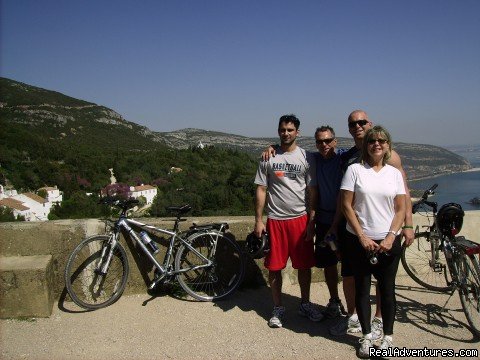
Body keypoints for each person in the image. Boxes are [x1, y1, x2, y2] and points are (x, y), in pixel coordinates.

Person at [340, 125, 406, 356]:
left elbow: (400, 209)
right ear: (366, 145)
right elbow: (346, 205)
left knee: (387, 290)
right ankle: (366, 337)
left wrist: (390, 237)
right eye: (372, 141)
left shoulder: (394, 174)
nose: (377, 144)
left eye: (382, 140)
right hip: (359, 240)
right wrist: (361, 236)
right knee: (362, 288)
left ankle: (387, 337)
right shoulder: (355, 170)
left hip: (388, 242)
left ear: (388, 145)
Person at [254, 114, 322, 328]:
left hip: (299, 219)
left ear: (297, 132)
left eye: (290, 130)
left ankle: (304, 303)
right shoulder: (268, 157)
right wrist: (258, 220)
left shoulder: (307, 157)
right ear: (278, 131)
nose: (286, 133)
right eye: (283, 130)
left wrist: (311, 219)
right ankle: (278, 308)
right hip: (275, 219)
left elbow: (312, 191)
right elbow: (261, 189)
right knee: (274, 267)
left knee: (304, 266)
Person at [311, 126, 346, 319]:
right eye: (319, 141)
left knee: (349, 264)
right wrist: (272, 146)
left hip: (344, 220)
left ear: (335, 141)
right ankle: (334, 300)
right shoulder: (314, 159)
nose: (323, 145)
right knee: (329, 264)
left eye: (327, 140)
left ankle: (355, 309)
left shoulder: (343, 157)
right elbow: (289, 150)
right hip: (324, 221)